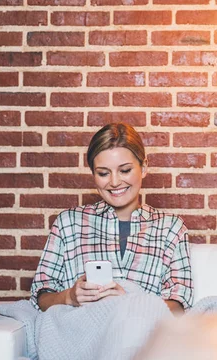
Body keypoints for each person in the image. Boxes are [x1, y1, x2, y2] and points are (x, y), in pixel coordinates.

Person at [30, 123, 193, 315]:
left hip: (141, 336)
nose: (115, 182)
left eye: (124, 170)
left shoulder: (170, 228)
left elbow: (179, 305)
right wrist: (69, 297)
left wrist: (129, 305)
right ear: (93, 174)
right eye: (103, 173)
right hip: (81, 332)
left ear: (144, 167)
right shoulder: (69, 223)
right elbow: (40, 296)